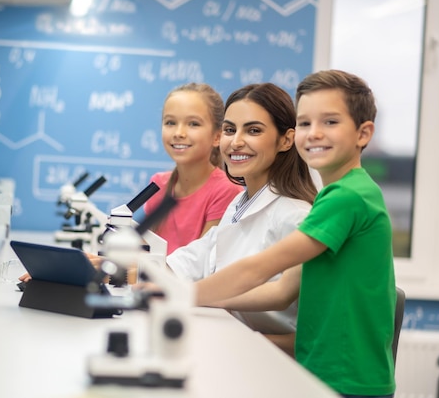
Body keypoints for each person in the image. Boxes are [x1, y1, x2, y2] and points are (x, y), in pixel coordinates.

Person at [194, 70, 396, 398]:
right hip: (322, 371)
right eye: (305, 123)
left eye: (330, 122)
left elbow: (261, 267)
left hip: (346, 379)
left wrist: (183, 296)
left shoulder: (348, 197)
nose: (314, 134)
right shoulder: (337, 195)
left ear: (363, 133)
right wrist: (207, 299)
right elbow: (281, 291)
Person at [165, 83, 317, 354]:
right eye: (230, 129)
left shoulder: (296, 216)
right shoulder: (242, 201)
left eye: (254, 130)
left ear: (286, 139)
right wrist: (125, 268)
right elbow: (199, 256)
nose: (235, 141)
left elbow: (292, 310)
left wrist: (190, 295)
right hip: (231, 342)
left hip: (270, 362)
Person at [143, 83, 243, 255]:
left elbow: (199, 261)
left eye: (193, 124)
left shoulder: (226, 190)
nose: (179, 133)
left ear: (217, 136)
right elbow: (144, 249)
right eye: (170, 122)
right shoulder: (158, 183)